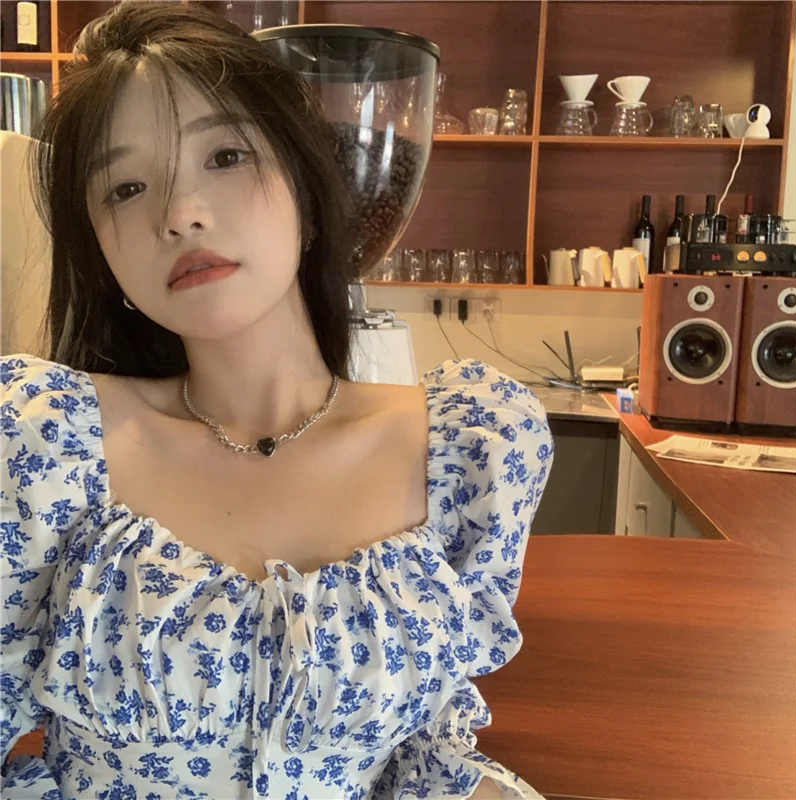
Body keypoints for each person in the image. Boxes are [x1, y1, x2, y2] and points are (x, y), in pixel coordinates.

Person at [0, 3, 554, 798]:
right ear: (99, 252)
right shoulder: (44, 445)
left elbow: (424, 750)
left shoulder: (468, 451)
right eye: (125, 187)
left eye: (225, 155)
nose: (179, 214)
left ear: (306, 187)